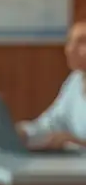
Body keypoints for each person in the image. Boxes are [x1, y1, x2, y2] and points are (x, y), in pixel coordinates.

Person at [18, 15, 86, 151]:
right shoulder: (75, 81)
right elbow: (51, 122)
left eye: (82, 42)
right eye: (70, 41)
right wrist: (25, 131)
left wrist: (77, 142)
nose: (70, 49)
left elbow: (74, 141)